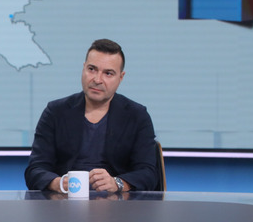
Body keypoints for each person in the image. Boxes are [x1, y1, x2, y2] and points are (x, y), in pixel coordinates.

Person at [24, 39, 158, 193]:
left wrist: (117, 183)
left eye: (108, 73)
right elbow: (35, 170)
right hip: (63, 202)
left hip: (118, 204)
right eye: (92, 69)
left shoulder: (137, 116)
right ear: (83, 69)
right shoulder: (55, 112)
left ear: (120, 78)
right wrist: (59, 184)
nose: (97, 79)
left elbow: (148, 173)